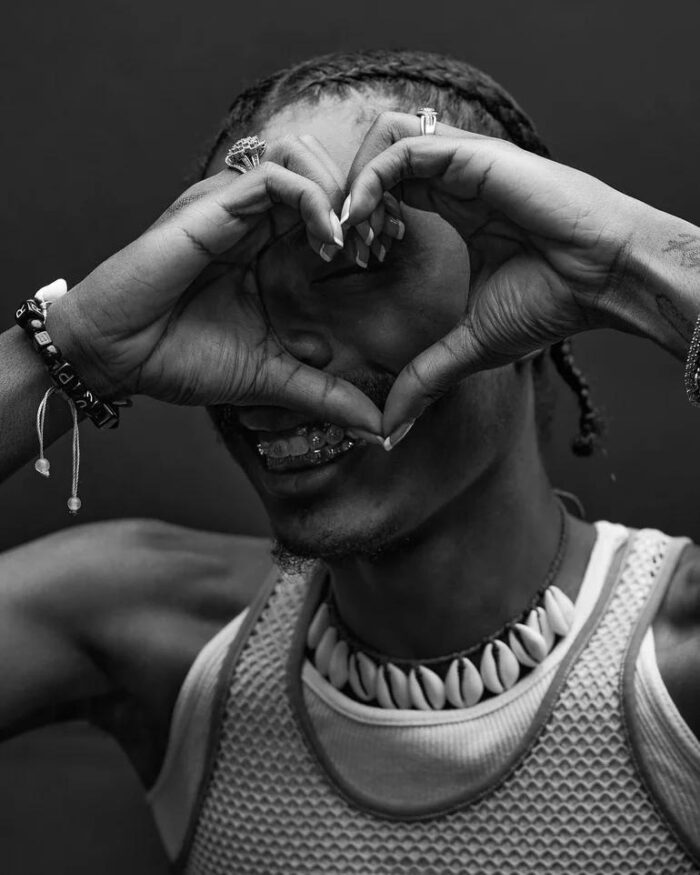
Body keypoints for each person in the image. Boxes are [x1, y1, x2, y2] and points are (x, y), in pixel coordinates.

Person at [1, 48, 699, 874]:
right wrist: (75, 347)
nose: (282, 343)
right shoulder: (159, 635)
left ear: (528, 276)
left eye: (357, 266)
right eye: (231, 288)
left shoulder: (673, 669)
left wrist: (630, 261)